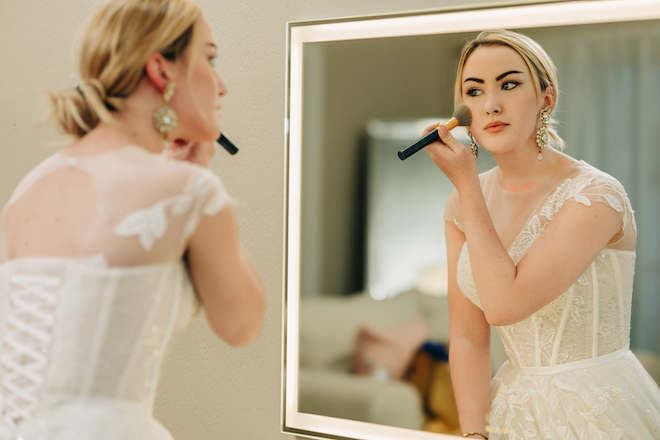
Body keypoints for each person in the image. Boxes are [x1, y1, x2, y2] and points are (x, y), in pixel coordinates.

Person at [0, 0, 265, 438]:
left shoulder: (29, 188)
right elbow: (243, 325)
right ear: (161, 71)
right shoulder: (187, 192)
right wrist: (197, 176)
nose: (221, 86)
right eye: (210, 58)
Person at [422, 29, 660, 439]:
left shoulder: (595, 195)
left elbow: (503, 305)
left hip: (598, 412)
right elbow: (466, 336)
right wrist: (474, 432)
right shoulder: (461, 203)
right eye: (474, 92)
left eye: (509, 84)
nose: (491, 105)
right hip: (512, 411)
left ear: (546, 99)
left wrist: (467, 185)